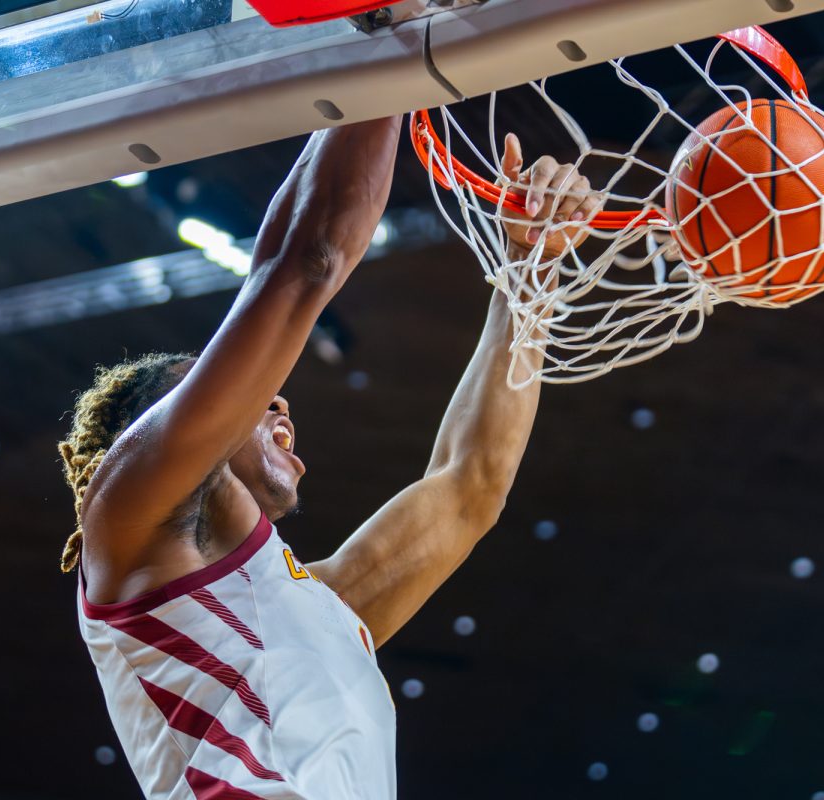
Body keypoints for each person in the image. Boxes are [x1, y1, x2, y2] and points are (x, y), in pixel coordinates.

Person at [57, 115, 600, 799]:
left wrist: (529, 270)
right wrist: (381, 62)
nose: (276, 399)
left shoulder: (317, 611)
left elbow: (470, 486)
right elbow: (305, 262)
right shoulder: (128, 518)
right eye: (225, 390)